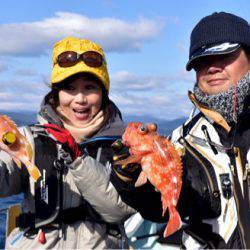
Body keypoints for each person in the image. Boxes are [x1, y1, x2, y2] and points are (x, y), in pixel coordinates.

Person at [112, 12, 250, 249]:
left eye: (225, 54)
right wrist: (130, 183)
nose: (212, 67)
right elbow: (159, 207)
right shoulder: (180, 142)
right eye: (201, 61)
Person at [2, 36, 136, 249]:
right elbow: (4, 175)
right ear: (56, 94)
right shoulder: (28, 139)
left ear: (103, 94)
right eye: (70, 88)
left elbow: (117, 209)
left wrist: (77, 158)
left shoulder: (124, 146)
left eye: (90, 87)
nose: (80, 99)